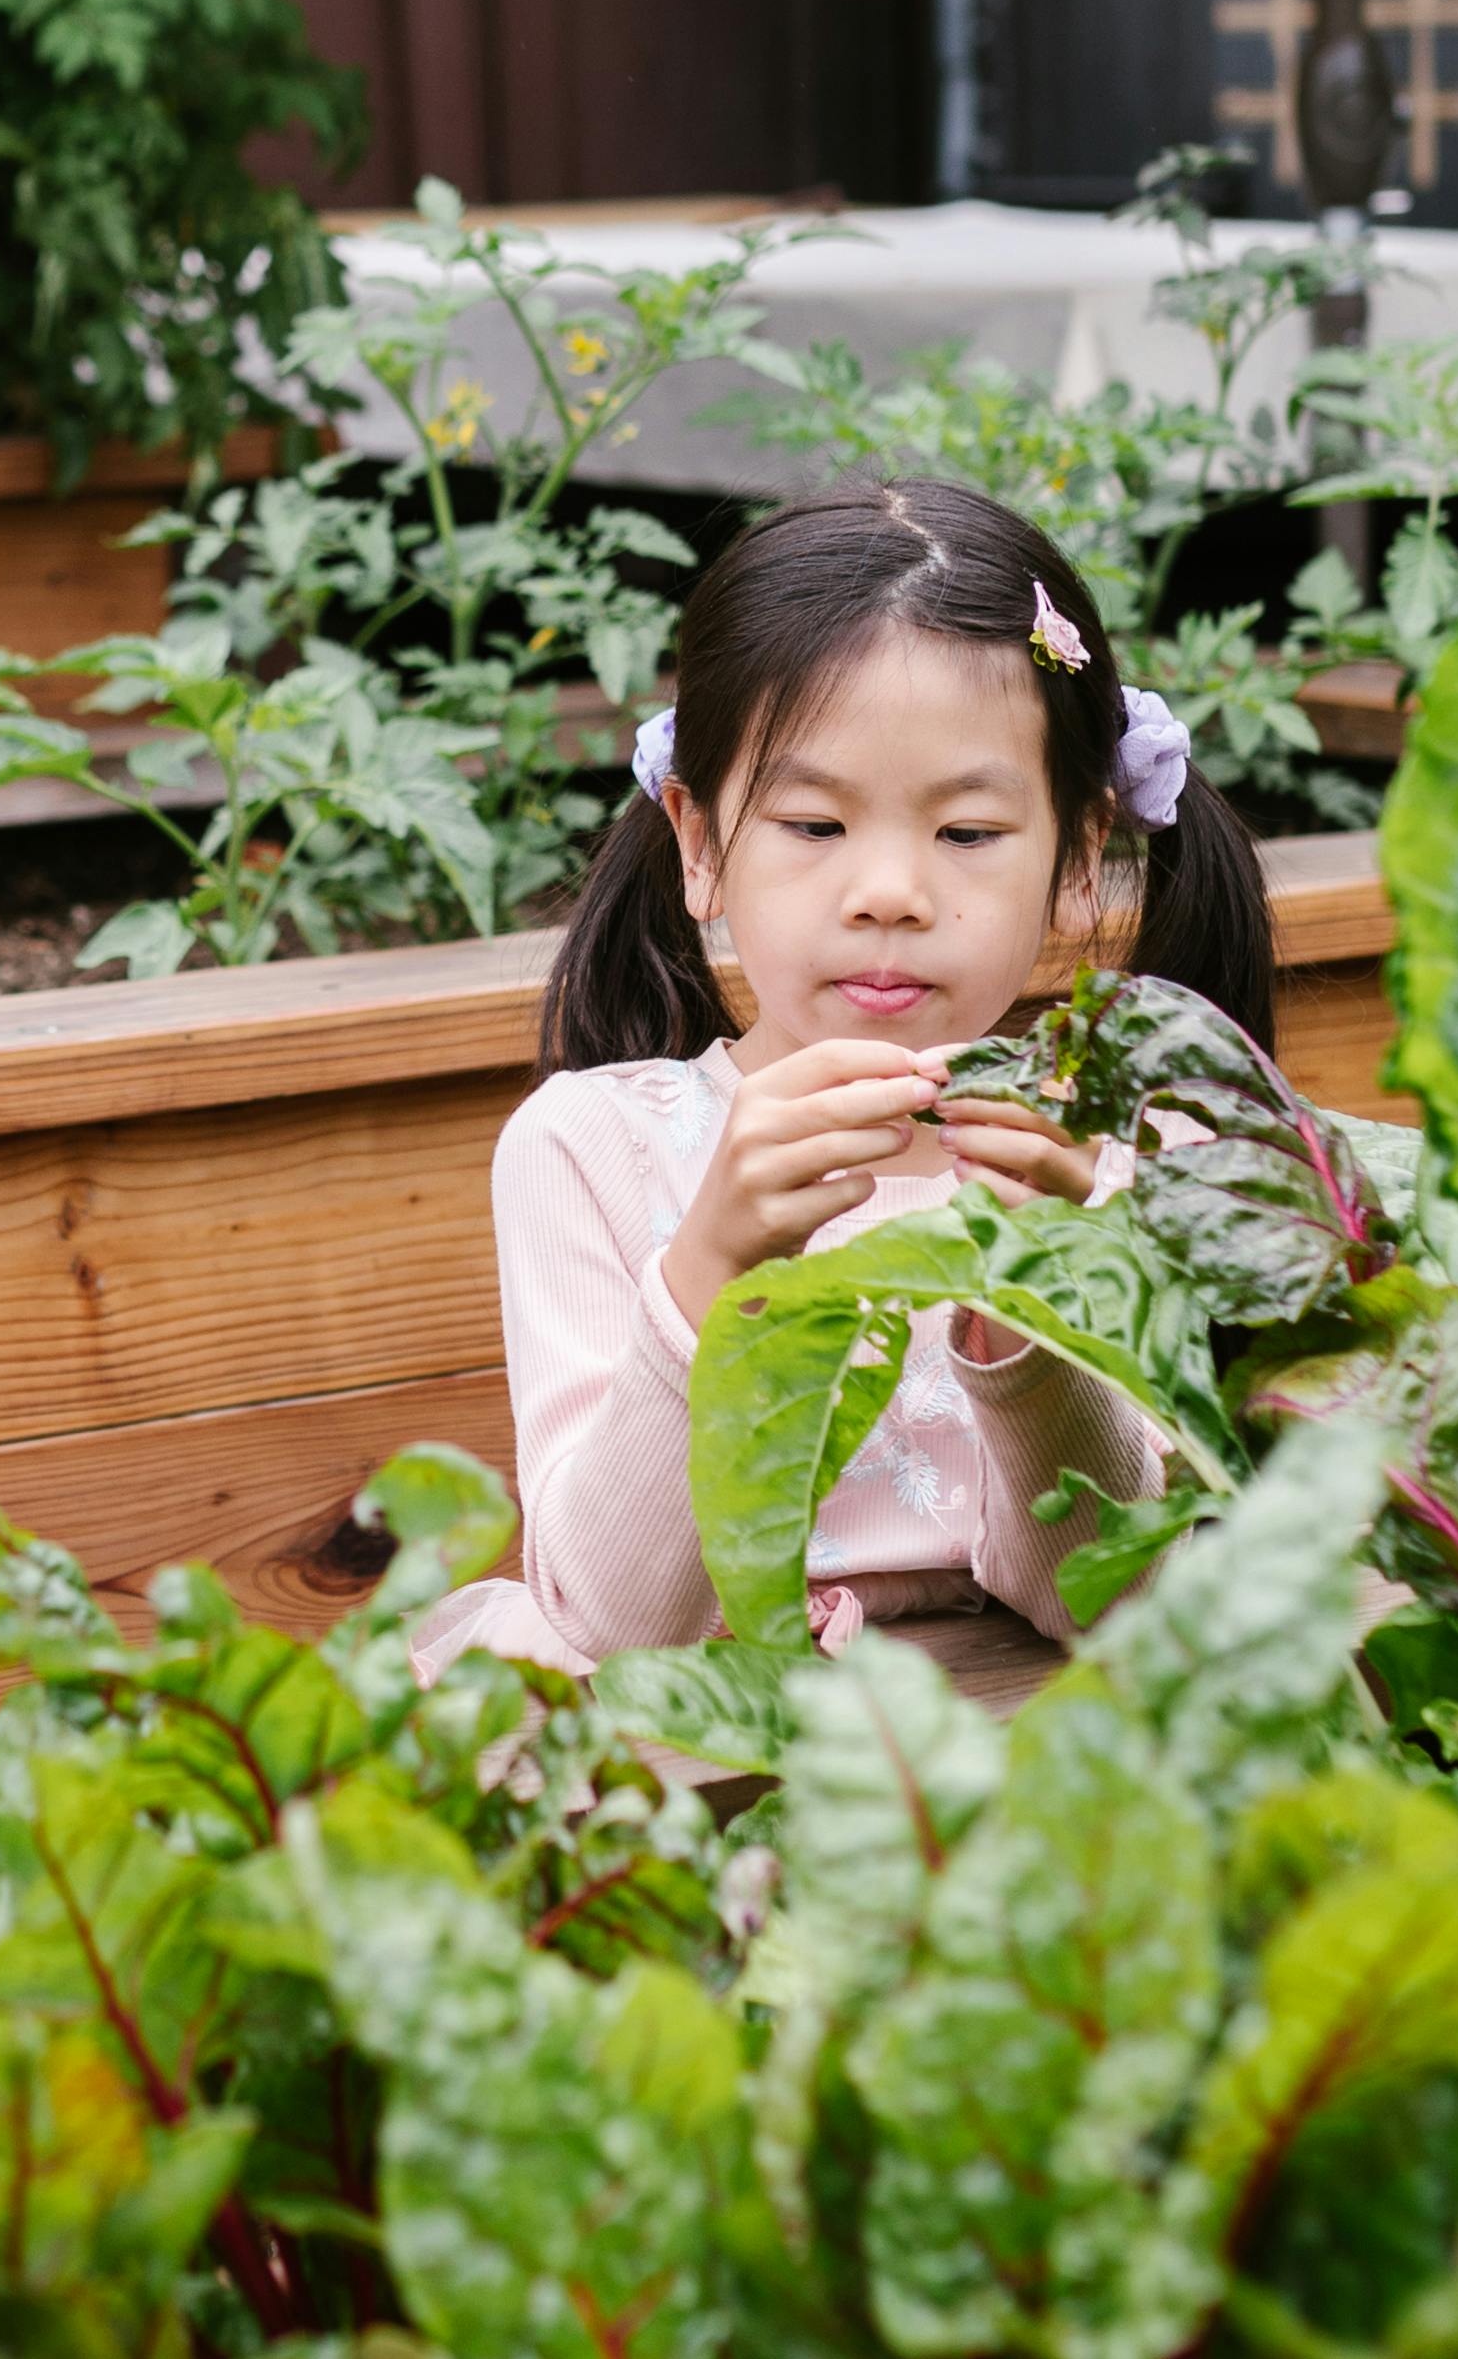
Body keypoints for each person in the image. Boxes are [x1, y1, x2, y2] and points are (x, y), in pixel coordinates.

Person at [467, 477, 1274, 1675]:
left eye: (966, 834)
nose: (888, 890)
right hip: (710, 1790)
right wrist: (708, 1270)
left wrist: (1038, 1293)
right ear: (700, 844)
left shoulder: (1146, 1161)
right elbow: (616, 1622)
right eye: (813, 824)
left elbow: (1130, 1605)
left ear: (1077, 858)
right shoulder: (594, 1149)